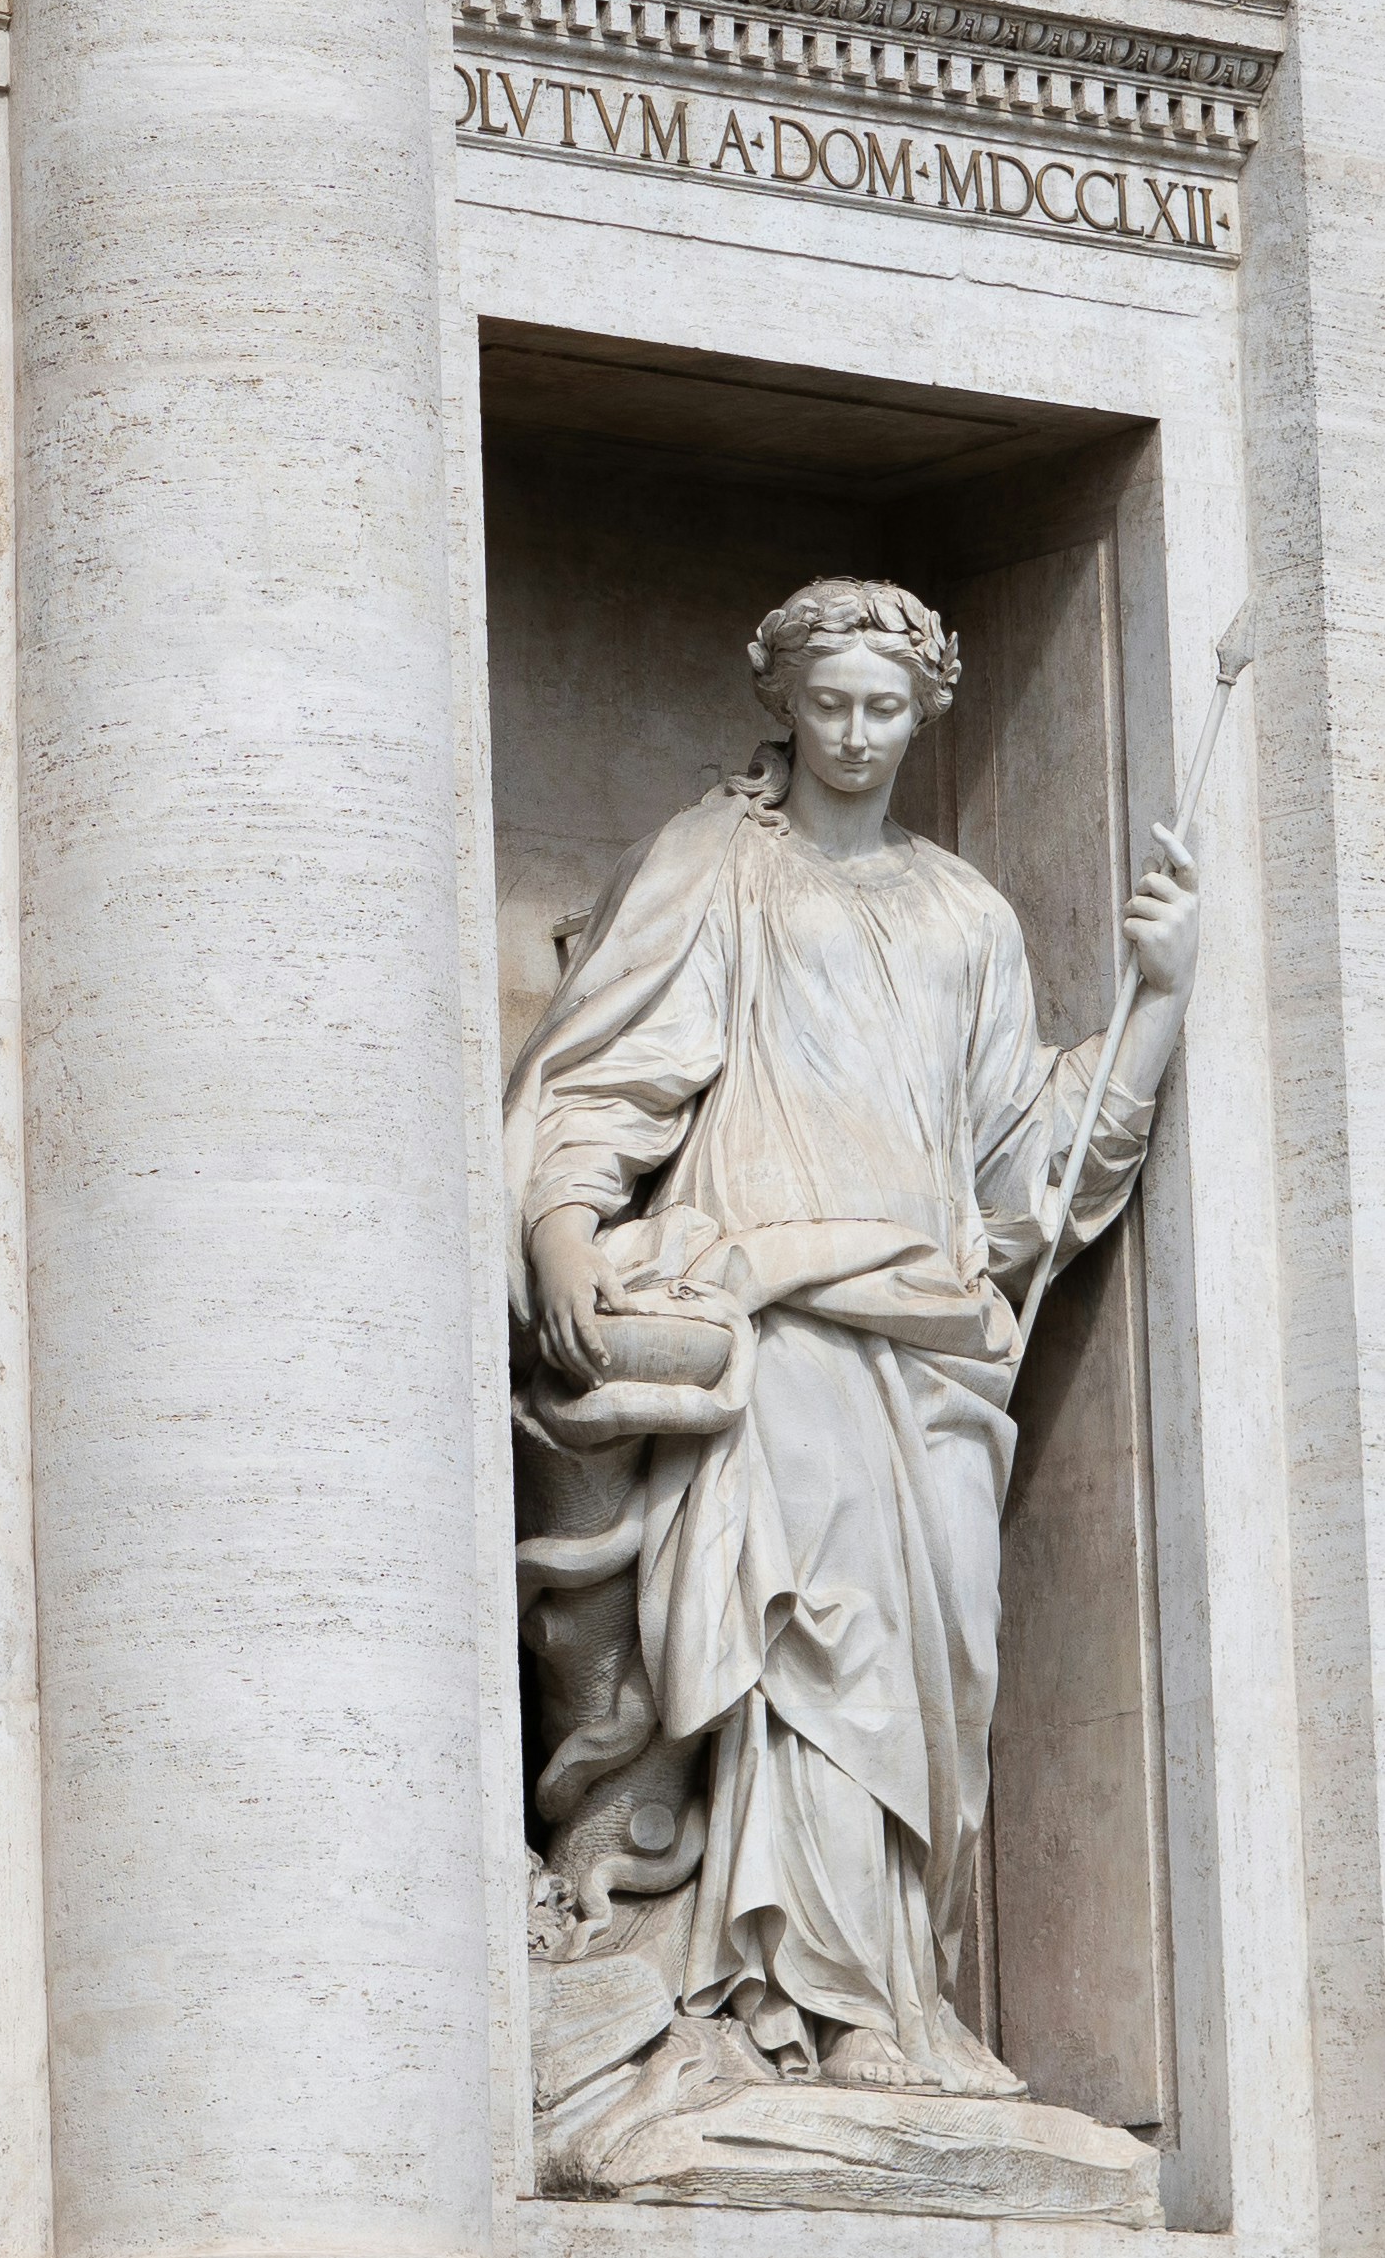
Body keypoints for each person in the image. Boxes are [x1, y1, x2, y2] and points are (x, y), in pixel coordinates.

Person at [504, 579, 1198, 2090]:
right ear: (783, 701)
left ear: (925, 710)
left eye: (888, 708)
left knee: (930, 1673)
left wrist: (1155, 1001)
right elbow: (604, 1079)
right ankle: (794, 2000)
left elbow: (1030, 1174)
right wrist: (562, 1225)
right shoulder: (713, 867)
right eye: (832, 704)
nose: (859, 733)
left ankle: (899, 1982)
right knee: (804, 1650)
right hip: (782, 1327)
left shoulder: (966, 914)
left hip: (932, 1344)